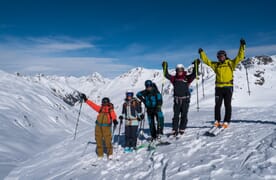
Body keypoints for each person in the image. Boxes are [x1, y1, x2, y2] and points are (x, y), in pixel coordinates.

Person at [198, 38, 246, 129]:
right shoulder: (216, 65)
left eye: (222, 56)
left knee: (227, 105)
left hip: (228, 87)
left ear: (225, 56)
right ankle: (217, 120)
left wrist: (242, 46)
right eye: (219, 56)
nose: (220, 58)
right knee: (217, 105)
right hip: (218, 88)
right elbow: (207, 61)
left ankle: (226, 121)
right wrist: (201, 53)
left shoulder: (231, 63)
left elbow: (240, 56)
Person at [162, 60, 200, 136]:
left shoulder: (187, 78)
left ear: (183, 70)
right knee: (176, 115)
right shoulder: (174, 78)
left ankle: (182, 128)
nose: (180, 71)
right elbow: (166, 75)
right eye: (178, 70)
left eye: (181, 70)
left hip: (185, 100)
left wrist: (196, 65)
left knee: (184, 115)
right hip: (177, 100)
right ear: (176, 71)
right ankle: (175, 129)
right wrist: (165, 66)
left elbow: (194, 74)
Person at [80, 94, 118, 160]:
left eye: (106, 103)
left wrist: (114, 120)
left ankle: (110, 153)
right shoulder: (100, 109)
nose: (104, 104)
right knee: (98, 140)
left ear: (108, 103)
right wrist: (86, 100)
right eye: (104, 103)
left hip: (106, 127)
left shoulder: (110, 110)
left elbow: (113, 115)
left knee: (107, 140)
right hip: (98, 126)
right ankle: (100, 154)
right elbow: (93, 105)